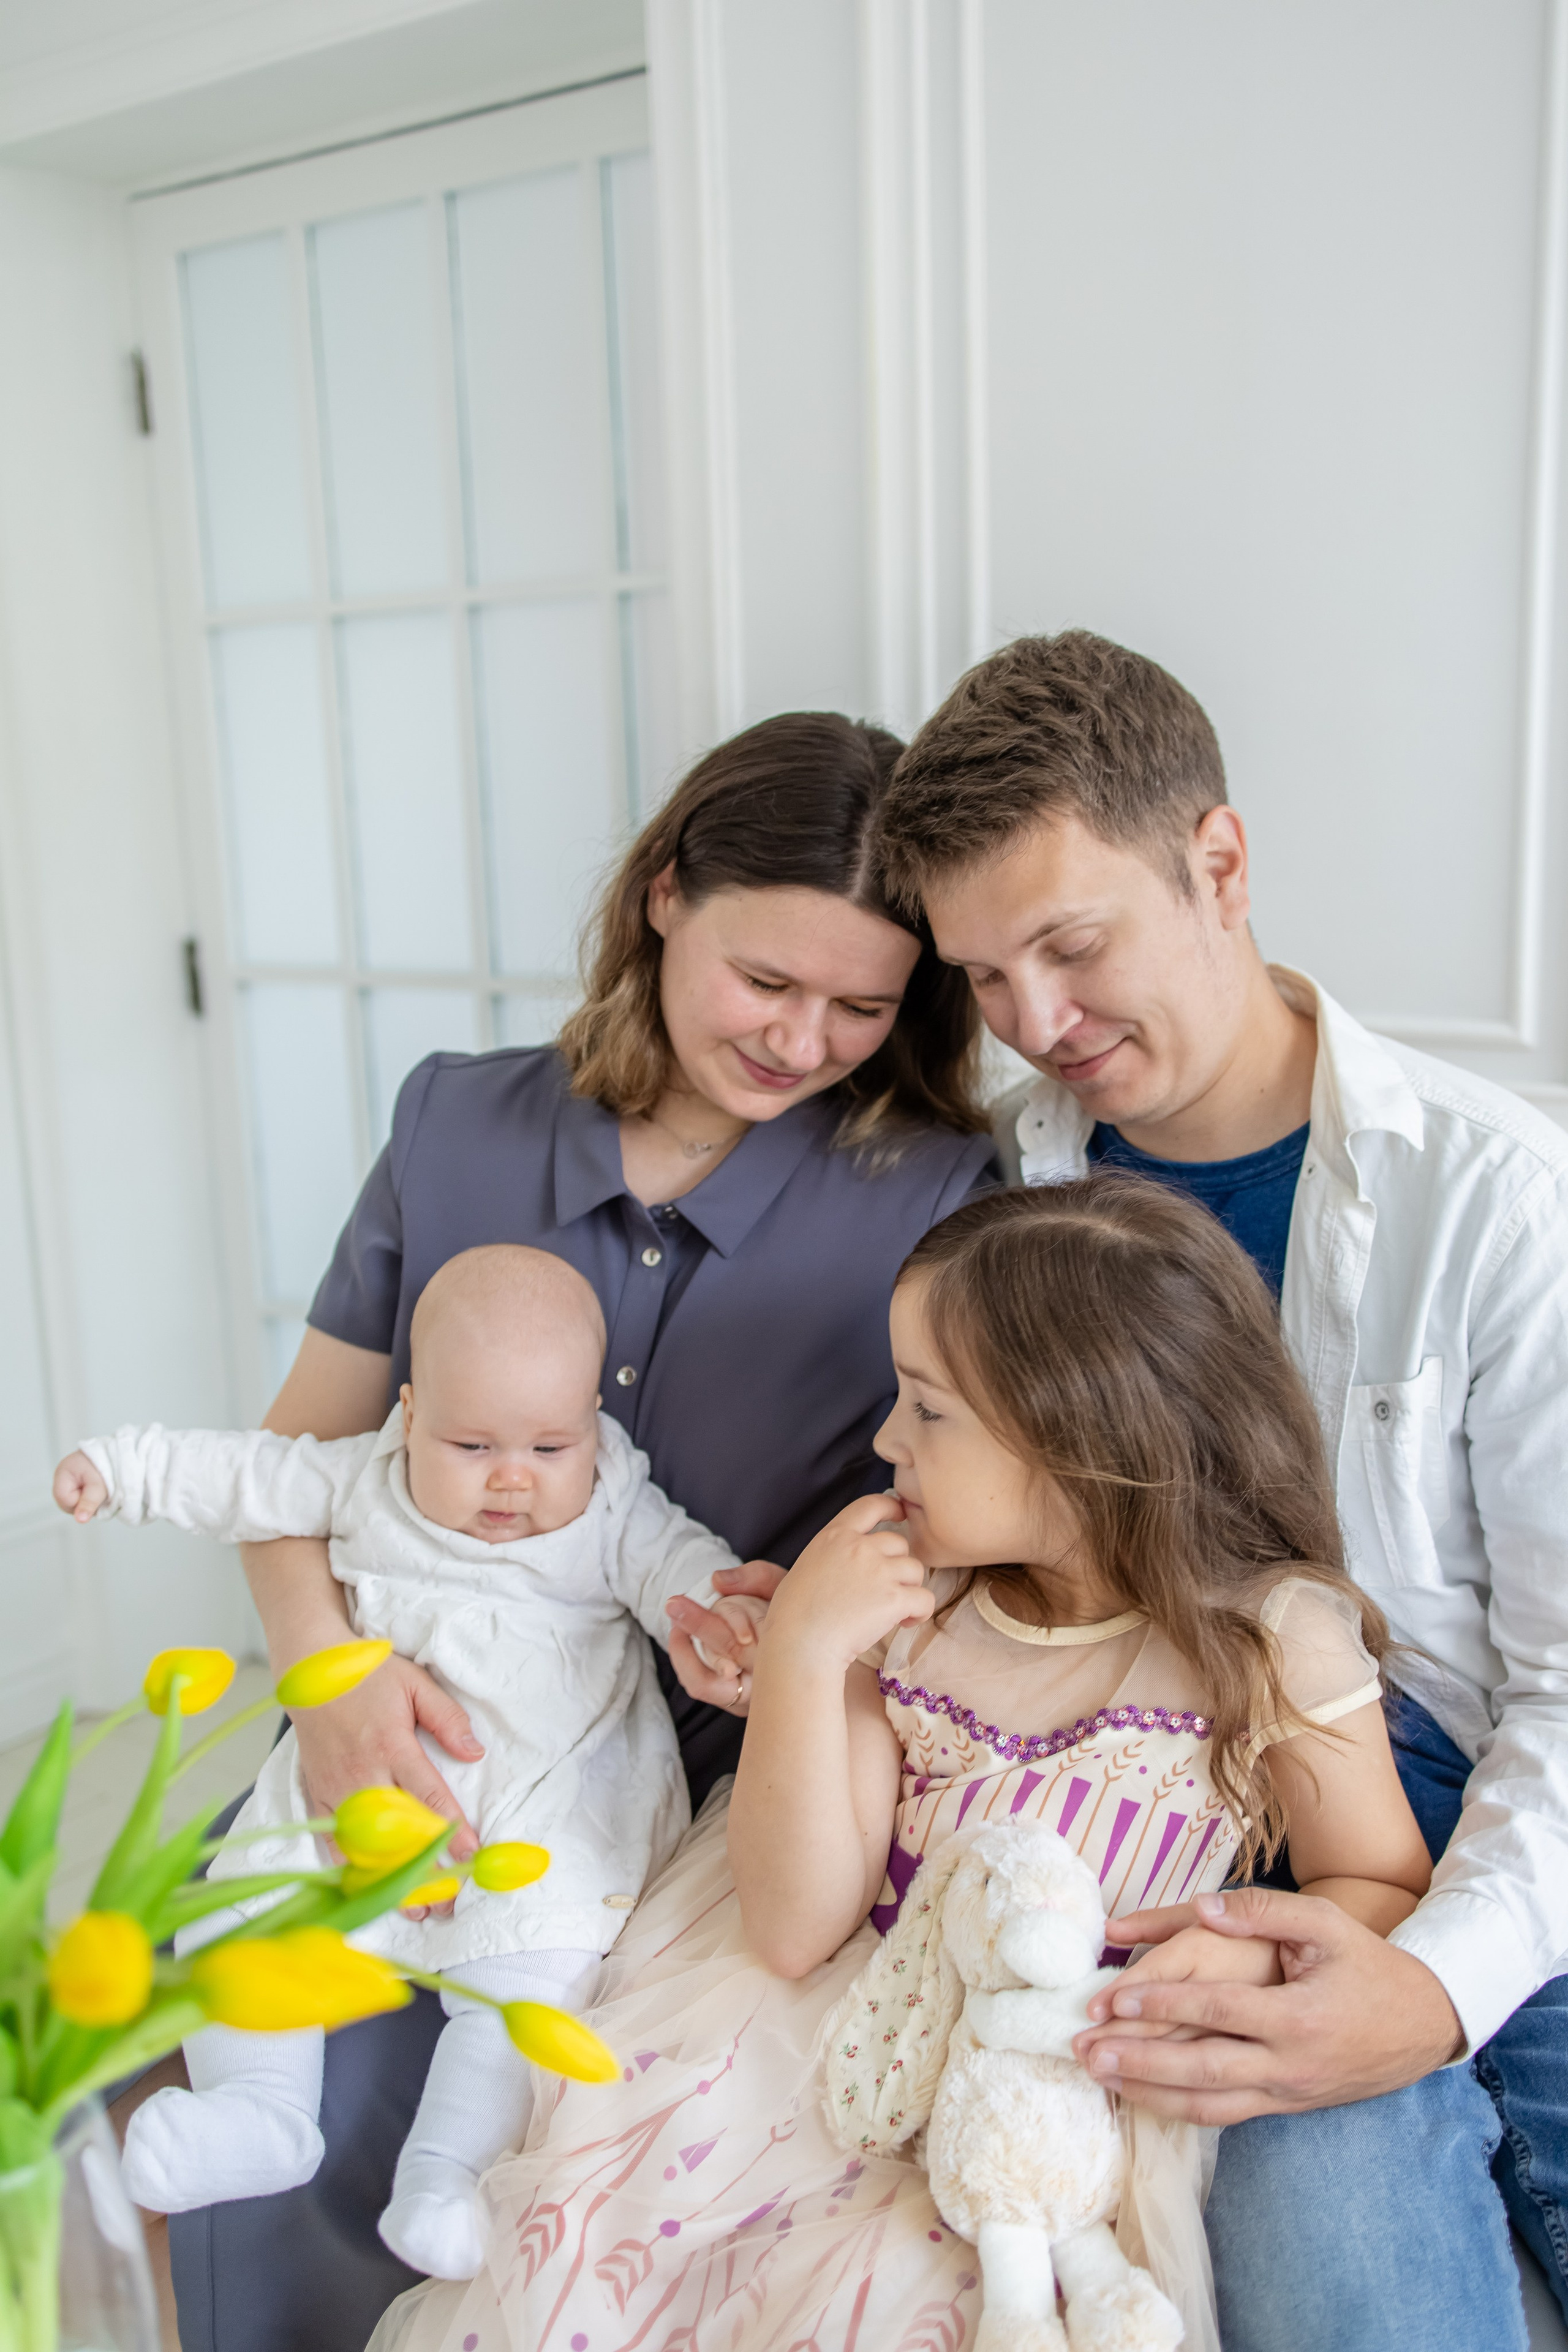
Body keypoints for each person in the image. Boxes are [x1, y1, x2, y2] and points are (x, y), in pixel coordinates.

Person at [160, 712, 999, 2352]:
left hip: (689, 1796)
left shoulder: (934, 1190)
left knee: (506, 2155)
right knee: (266, 2081)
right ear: (666, 894)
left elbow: (942, 1528)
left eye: (863, 1006)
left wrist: (792, 1618)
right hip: (381, 1713)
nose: (804, 1038)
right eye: (770, 981)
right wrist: (330, 1691)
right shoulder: (454, 1123)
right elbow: (293, 1460)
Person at [366, 1177, 1431, 2352]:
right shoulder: (909, 1608)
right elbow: (792, 1926)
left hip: (1060, 2080)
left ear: (1078, 1436)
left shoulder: (1274, 1640)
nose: (884, 1441)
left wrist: (1227, 1967)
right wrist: (809, 1657)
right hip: (839, 2041)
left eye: (928, 1409)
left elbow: (1378, 1882)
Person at [875, 627, 1568, 2352]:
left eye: (1073, 943)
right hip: (1146, 1813)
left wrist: (1430, 1984)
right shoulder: (1000, 1194)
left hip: (1456, 1813)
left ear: (1221, 863)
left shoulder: (1494, 1206)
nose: (1035, 1023)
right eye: (984, 973)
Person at [58, 1245, 766, 2278]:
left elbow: (678, 1568)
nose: (512, 1478)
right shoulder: (363, 1476)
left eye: (549, 1445)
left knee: (538, 1975)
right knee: (241, 1910)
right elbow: (242, 1477)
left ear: (592, 1429)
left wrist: (724, 1619)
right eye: (472, 1443)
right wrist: (120, 1469)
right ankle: (258, 2114)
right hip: (351, 1788)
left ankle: (449, 2177)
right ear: (408, 1413)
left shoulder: (612, 1502)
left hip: (537, 1803)